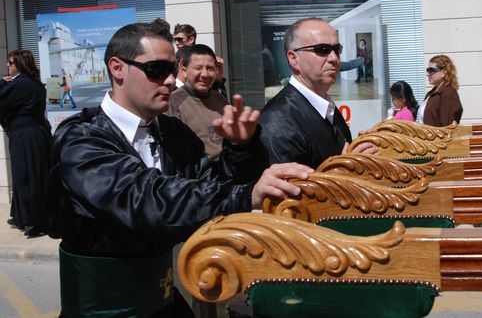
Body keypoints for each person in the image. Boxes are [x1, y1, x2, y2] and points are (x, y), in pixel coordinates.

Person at [48, 22, 311, 317]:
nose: (171, 81)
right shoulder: (81, 140)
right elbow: (147, 200)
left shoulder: (172, 133)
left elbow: (210, 186)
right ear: (117, 68)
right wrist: (247, 194)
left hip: (163, 300)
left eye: (173, 69)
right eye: (157, 70)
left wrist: (239, 149)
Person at [258, 17, 376, 169]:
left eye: (337, 49)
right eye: (322, 50)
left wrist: (358, 152)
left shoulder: (325, 108)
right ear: (293, 58)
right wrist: (347, 168)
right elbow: (291, 191)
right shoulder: (276, 123)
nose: (334, 58)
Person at [0, 50, 51, 238]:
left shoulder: (20, 85)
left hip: (25, 138)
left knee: (27, 178)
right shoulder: (35, 84)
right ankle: (24, 215)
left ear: (19, 65)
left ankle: (37, 221)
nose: (8, 66)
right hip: (36, 135)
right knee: (34, 177)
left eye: (10, 63)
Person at [167, 44, 228, 161]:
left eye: (210, 68)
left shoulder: (220, 99)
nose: (204, 74)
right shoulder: (173, 103)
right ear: (184, 69)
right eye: (198, 68)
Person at [417, 54, 463, 127]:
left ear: (444, 72)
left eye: (431, 70)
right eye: (427, 70)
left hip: (438, 138)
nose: (428, 74)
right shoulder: (431, 93)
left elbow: (448, 126)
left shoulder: (448, 93)